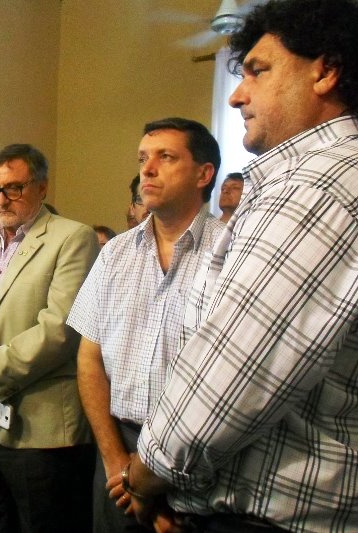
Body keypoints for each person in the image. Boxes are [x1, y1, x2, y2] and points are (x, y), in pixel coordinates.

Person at [124, 1, 358, 531]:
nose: (237, 95)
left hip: (282, 519)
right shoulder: (327, 180)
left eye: (258, 71)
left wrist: (146, 474)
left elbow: (232, 378)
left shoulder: (321, 187)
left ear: (325, 71)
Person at [68, 117, 225, 533]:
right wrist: (116, 463)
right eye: (142, 159)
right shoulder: (115, 253)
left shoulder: (233, 253)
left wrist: (152, 481)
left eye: (165, 157)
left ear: (203, 174)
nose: (147, 170)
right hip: (118, 445)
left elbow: (233, 381)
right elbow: (89, 359)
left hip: (197, 459)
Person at [0, 144, 99, 532]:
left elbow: (59, 330)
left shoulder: (72, 238)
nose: (1, 198)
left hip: (36, 427)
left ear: (42, 187)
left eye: (14, 187)